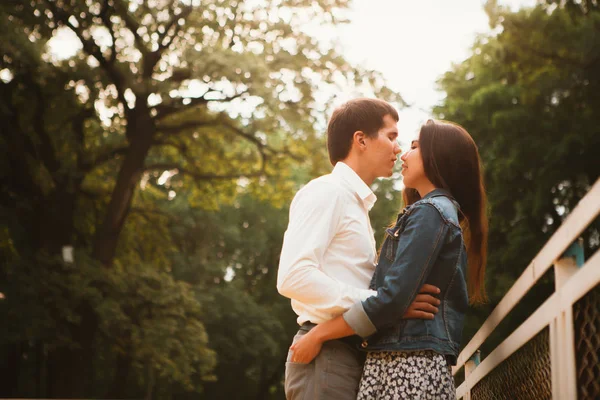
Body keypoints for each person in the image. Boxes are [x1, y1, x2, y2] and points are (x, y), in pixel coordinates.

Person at [290, 119, 488, 400]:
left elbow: (392, 298)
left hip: (407, 363)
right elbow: (395, 299)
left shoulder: (431, 212)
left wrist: (319, 334)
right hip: (402, 359)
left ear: (439, 157)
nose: (403, 155)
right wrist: (395, 304)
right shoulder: (433, 212)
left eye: (415, 146)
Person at [277, 99, 442, 400]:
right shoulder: (327, 192)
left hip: (347, 351)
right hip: (326, 354)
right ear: (361, 140)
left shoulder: (354, 204)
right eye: (391, 136)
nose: (398, 148)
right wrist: (384, 304)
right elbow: (293, 277)